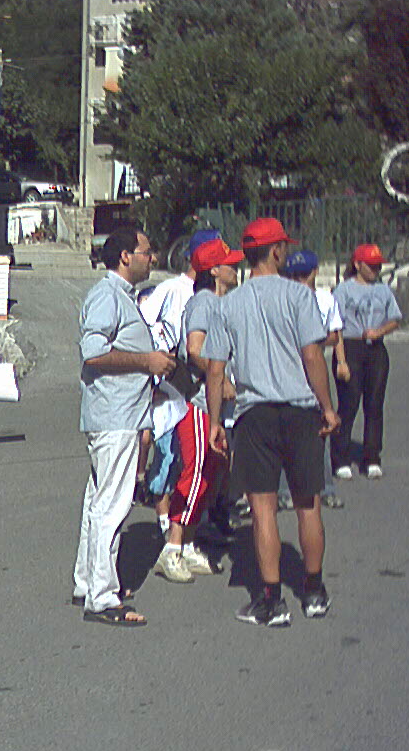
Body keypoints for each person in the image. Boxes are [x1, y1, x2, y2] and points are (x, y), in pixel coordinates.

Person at [203, 218, 340, 627]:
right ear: (277, 251)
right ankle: (314, 591)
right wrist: (328, 407)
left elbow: (215, 370)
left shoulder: (229, 304)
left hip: (254, 413)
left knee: (263, 510)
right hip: (299, 409)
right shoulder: (299, 297)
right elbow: (313, 356)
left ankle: (270, 599)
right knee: (307, 503)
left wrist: (214, 422)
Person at [73, 226, 175, 626]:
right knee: (112, 507)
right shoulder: (107, 295)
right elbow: (94, 353)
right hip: (113, 416)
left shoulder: (121, 297)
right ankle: (102, 596)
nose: (151, 258)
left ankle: (90, 581)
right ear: (124, 257)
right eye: (146, 251)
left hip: (120, 414)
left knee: (99, 502)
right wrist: (146, 361)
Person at [154, 237, 243, 584]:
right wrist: (219, 378)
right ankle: (172, 549)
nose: (236, 268)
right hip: (195, 401)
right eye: (230, 264)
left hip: (212, 401)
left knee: (211, 471)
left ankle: (188, 544)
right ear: (214, 270)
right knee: (194, 473)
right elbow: (194, 349)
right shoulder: (204, 301)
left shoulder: (219, 302)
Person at [136, 229, 221, 532]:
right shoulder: (173, 288)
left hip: (201, 386)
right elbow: (142, 320)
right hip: (174, 380)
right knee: (169, 449)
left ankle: (195, 517)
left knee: (198, 456)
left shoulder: (215, 295)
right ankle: (165, 519)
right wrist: (159, 352)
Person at [280, 250, 348, 509]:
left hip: (314, 367)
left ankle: (325, 486)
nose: (299, 280)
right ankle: (285, 489)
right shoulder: (286, 299)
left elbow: (334, 334)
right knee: (287, 430)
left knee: (321, 427)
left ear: (315, 272)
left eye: (304, 275)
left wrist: (340, 360)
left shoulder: (324, 299)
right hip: (290, 368)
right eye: (294, 275)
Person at [330, 244, 402, 480]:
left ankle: (372, 457)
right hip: (350, 346)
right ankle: (340, 457)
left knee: (374, 405)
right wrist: (341, 360)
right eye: (370, 265)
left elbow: (395, 318)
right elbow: (335, 325)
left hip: (375, 349)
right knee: (349, 404)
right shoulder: (343, 290)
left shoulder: (383, 290)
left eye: (378, 265)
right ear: (358, 264)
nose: (375, 269)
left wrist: (380, 331)